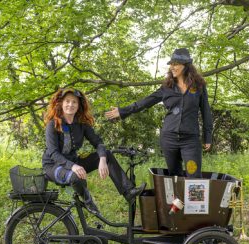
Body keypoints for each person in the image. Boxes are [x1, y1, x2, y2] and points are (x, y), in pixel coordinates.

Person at [105, 48, 213, 178]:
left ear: (186, 66)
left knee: (194, 176)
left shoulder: (198, 86)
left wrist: (208, 136)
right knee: (174, 176)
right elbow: (145, 102)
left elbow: (206, 111)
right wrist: (122, 111)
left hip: (190, 140)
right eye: (171, 64)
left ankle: (193, 199)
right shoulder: (166, 87)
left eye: (175, 64)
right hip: (169, 139)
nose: (172, 67)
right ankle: (178, 199)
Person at [42, 87, 145, 215]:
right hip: (53, 166)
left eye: (74, 102)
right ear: (61, 103)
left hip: (73, 162)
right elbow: (53, 153)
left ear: (79, 105)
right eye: (67, 101)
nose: (70, 104)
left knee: (106, 154)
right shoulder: (53, 124)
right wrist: (73, 166)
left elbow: (98, 142)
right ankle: (87, 201)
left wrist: (102, 159)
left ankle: (128, 191)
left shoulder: (81, 124)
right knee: (76, 177)